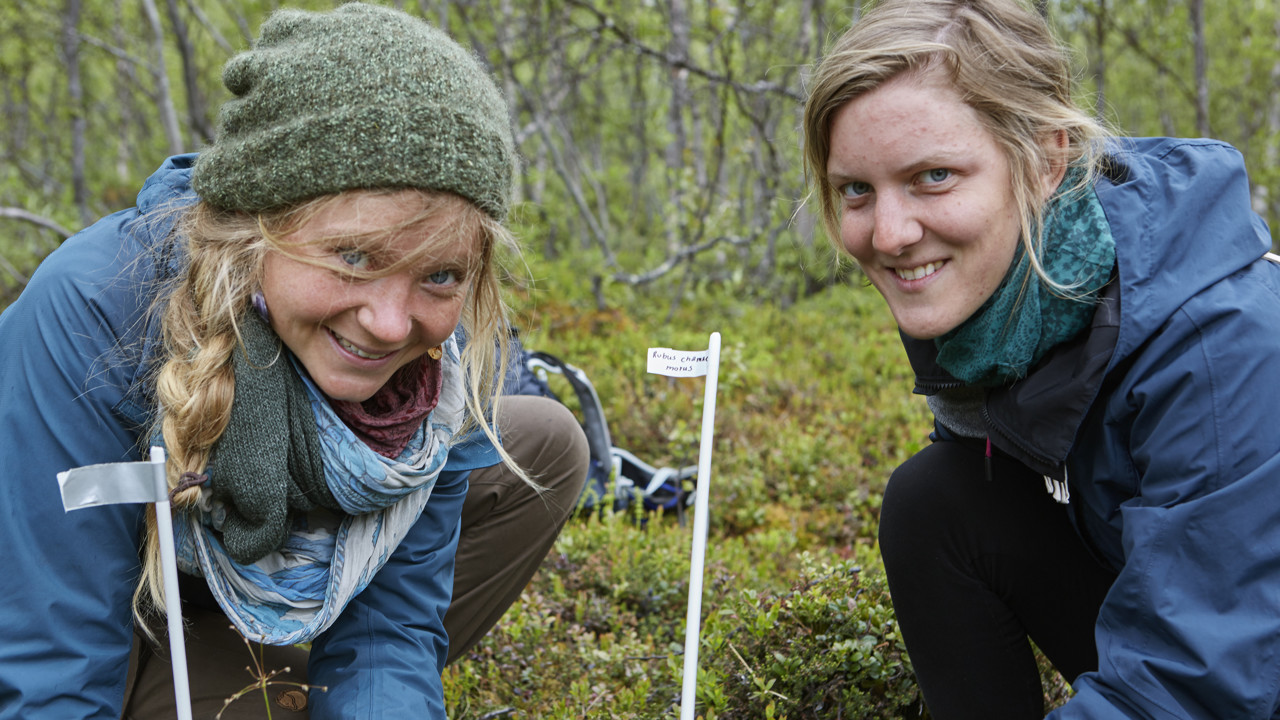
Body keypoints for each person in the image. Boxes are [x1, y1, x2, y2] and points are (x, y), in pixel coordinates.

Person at [0, 4, 588, 718]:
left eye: (440, 275)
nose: (389, 324)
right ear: (258, 225)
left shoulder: (432, 367)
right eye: (353, 257)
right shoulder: (95, 307)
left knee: (542, 440)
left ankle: (268, 657)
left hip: (210, 613)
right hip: (80, 604)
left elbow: (389, 631)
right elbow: (51, 657)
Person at [803, 0, 1280, 717]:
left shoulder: (1221, 349)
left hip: (1242, 669)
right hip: (1221, 637)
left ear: (1047, 160)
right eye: (857, 190)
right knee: (938, 501)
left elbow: (1196, 687)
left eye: (934, 176)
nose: (890, 234)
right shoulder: (1009, 304)